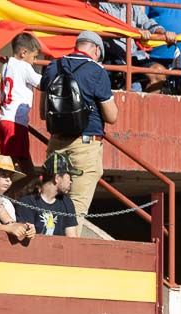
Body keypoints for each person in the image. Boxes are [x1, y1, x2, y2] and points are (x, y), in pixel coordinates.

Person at [40, 31, 117, 218]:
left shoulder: (52, 66)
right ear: (97, 50)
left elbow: (43, 113)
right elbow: (112, 116)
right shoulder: (97, 71)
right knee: (75, 209)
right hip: (85, 144)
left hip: (56, 143)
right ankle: (68, 246)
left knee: (48, 203)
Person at [0, 33, 42, 178]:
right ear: (24, 53)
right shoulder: (24, 67)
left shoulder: (6, 66)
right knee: (21, 168)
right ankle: (12, 194)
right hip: (15, 122)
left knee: (10, 163)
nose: (35, 61)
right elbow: (42, 83)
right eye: (34, 57)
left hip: (4, 119)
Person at [16, 153, 81, 238]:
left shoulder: (67, 202)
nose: (71, 181)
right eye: (69, 177)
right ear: (57, 178)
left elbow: (72, 238)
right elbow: (26, 236)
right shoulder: (27, 202)